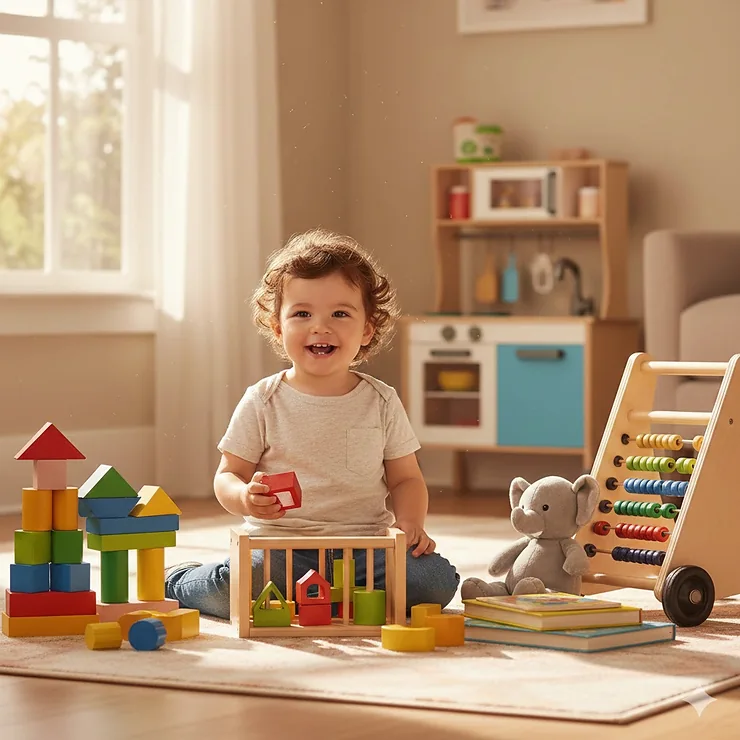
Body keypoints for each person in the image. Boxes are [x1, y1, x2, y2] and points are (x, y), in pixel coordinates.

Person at [165, 227, 460, 620]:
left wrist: (410, 522)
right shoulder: (263, 400)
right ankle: (181, 580)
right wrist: (244, 498)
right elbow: (228, 475)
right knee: (240, 584)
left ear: (367, 328)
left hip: (364, 552)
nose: (320, 327)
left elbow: (406, 478)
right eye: (302, 314)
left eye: (340, 313)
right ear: (277, 327)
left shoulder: (381, 400)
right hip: (280, 553)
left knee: (435, 581)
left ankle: (330, 597)